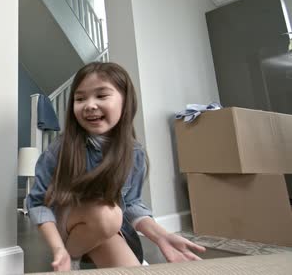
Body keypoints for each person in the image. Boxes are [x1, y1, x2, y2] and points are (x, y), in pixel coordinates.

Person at [26, 62, 205, 271]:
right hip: (69, 233)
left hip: (108, 231)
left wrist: (161, 236)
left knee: (111, 220)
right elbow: (38, 203)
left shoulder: (134, 153)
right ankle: (72, 259)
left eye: (101, 96)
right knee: (107, 215)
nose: (90, 105)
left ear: (125, 102)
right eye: (80, 98)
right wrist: (59, 249)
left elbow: (131, 204)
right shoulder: (59, 150)